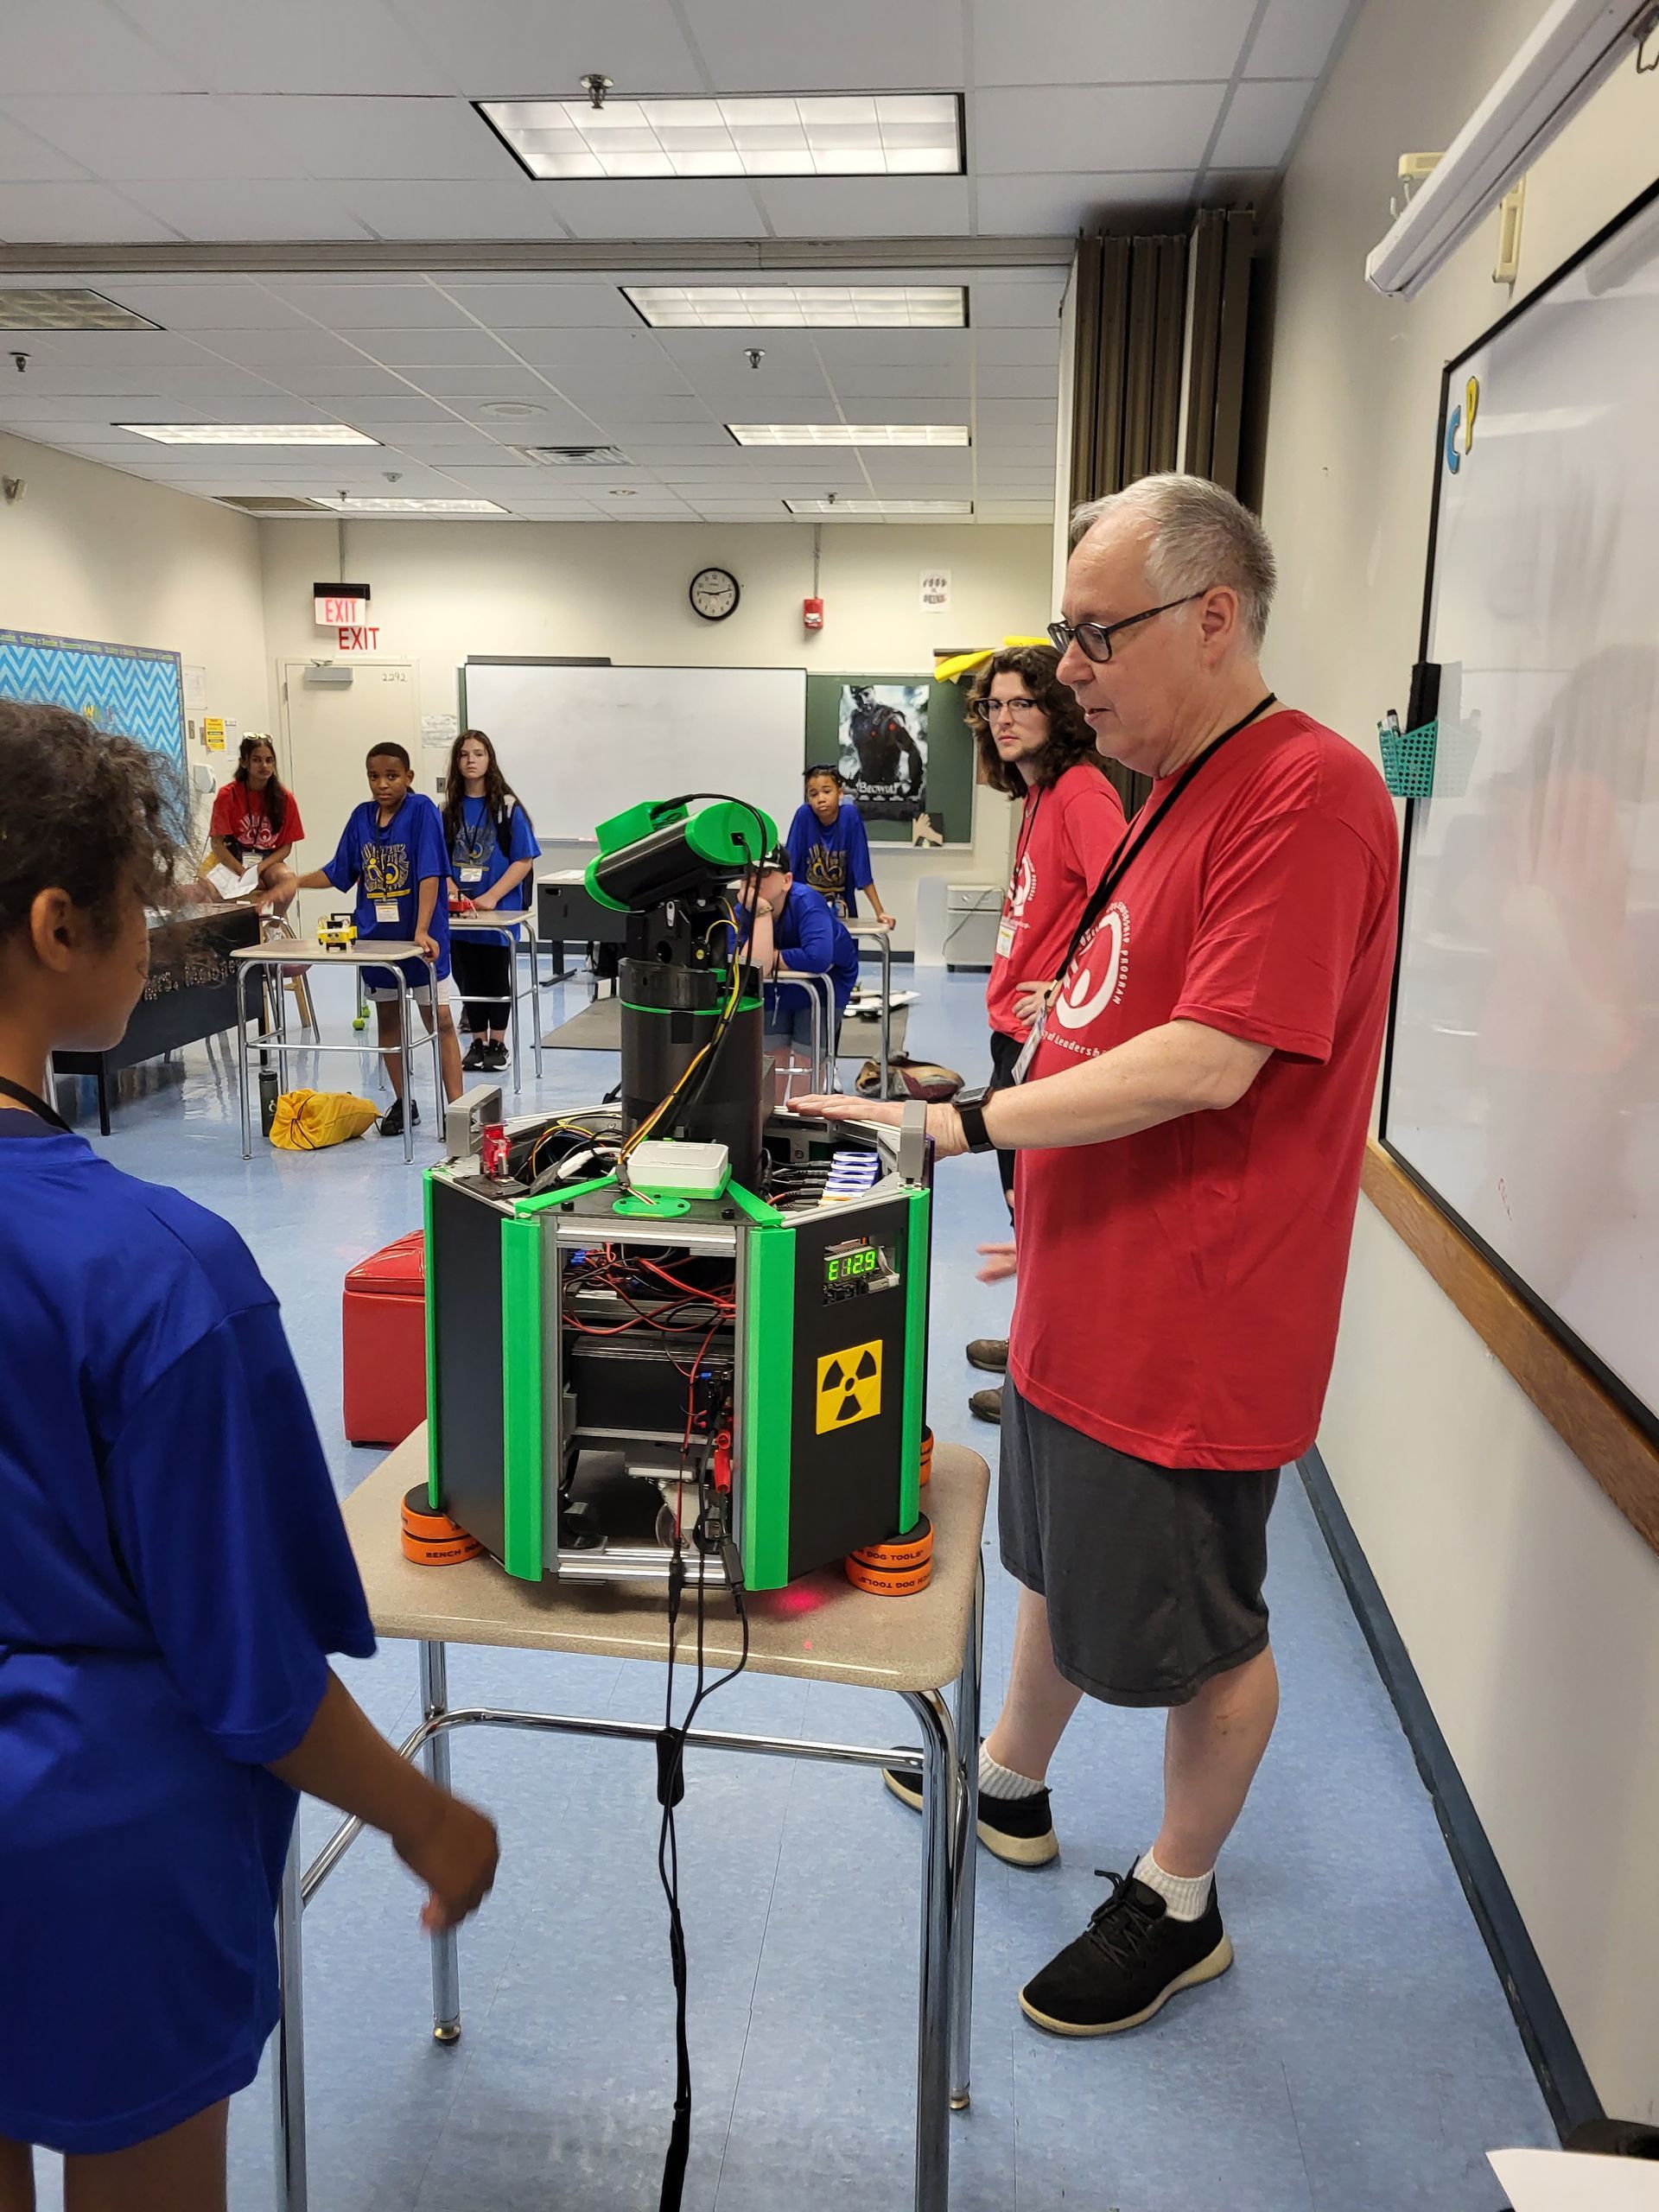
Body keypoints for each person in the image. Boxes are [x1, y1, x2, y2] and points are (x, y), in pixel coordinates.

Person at [792, 474, 1399, 2041]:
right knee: (1052, 1565)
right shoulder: (1166, 793)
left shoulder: (1309, 792)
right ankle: (1010, 1784)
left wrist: (973, 1127)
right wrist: (999, 1140)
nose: (1067, 671)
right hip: (1086, 1281)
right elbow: (1104, 1018)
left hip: (1195, 1320)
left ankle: (1179, 1898)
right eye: (1065, 636)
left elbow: (1211, 1062)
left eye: (1094, 633)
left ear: (1214, 617)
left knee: (1206, 1637)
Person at [0, 701, 499, 2209]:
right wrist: (428, 1817)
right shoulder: (160, 1273)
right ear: (59, 925)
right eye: (146, 910)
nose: (158, 943)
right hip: (98, 1848)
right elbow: (251, 1674)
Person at [963, 645, 1127, 1424]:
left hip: (1046, 1043)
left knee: (1042, 1212)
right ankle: (1028, 1341)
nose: (1003, 719)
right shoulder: (1036, 797)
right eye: (994, 706)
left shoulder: (1083, 794)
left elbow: (1129, 907)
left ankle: (1041, 1383)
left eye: (1021, 704)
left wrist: (1067, 985)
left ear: (1056, 712)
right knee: (1022, 1208)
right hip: (1012, 1035)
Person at [295, 743, 462, 1138]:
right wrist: (295, 882)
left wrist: (421, 930)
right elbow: (340, 872)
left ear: (408, 777)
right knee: (388, 1020)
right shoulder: (361, 818)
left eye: (391, 776)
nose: (382, 784)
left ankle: (458, 1110)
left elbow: (430, 874)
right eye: (374, 776)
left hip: (422, 942)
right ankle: (405, 1103)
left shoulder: (422, 812)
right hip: (376, 942)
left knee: (439, 1020)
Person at [442, 728, 541, 1074]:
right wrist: (453, 890)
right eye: (464, 754)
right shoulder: (448, 809)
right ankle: (477, 1042)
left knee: (495, 979)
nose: (471, 760)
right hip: (461, 915)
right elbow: (438, 860)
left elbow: (524, 859)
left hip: (498, 912)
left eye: (478, 754)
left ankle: (498, 1043)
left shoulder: (507, 808)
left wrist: (491, 897)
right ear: (456, 761)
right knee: (467, 979)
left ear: (489, 760)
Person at [736, 846, 860, 1071]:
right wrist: (761, 912)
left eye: (763, 873)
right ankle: (775, 1107)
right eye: (747, 872)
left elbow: (817, 959)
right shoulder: (741, 911)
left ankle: (806, 1104)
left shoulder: (808, 902)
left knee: (807, 1060)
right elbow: (750, 969)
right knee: (771, 1057)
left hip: (825, 982)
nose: (753, 880)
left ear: (787, 880)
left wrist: (773, 957)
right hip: (775, 985)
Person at [785, 764, 895, 928]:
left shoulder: (850, 817)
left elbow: (862, 868)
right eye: (813, 794)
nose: (820, 799)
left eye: (827, 791)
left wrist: (879, 912)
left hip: (842, 906)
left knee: (844, 948)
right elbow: (788, 868)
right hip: (805, 907)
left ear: (840, 793)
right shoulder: (804, 816)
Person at [207, 734, 302, 915]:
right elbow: (217, 843)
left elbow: (286, 847)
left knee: (287, 879)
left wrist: (258, 870)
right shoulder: (228, 795)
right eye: (257, 760)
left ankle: (273, 925)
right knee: (204, 891)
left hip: (268, 861)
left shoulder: (285, 798)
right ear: (244, 762)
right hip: (233, 859)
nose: (264, 766)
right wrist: (242, 871)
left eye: (269, 760)